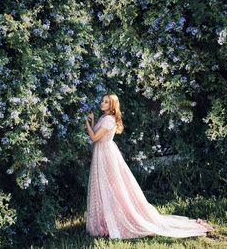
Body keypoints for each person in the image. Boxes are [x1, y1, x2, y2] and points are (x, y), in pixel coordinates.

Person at [84, 93, 214, 239]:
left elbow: (94, 138)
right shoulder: (103, 117)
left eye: (106, 102)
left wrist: (87, 123)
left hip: (106, 155)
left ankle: (117, 219)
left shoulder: (109, 120)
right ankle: (106, 221)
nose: (102, 103)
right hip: (101, 153)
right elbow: (95, 133)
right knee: (104, 186)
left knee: (112, 187)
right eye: (102, 101)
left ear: (112, 106)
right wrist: (93, 120)